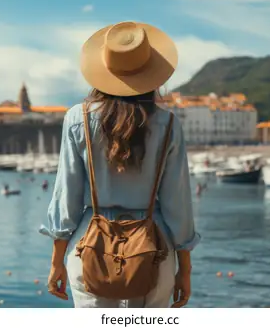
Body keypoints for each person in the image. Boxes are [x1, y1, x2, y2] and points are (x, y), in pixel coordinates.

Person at [39, 21, 200, 308]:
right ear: (152, 73)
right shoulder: (168, 124)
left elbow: (67, 197)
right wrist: (185, 270)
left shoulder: (79, 119)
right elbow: (179, 203)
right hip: (155, 250)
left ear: (103, 71)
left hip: (90, 248)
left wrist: (56, 261)